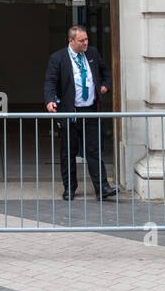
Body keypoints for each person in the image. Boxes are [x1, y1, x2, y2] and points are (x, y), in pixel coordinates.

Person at [44, 24, 117, 201]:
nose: (86, 43)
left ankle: (102, 188)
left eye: (86, 39)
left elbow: (105, 70)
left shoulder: (92, 53)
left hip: (90, 110)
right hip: (70, 112)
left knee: (93, 150)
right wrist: (50, 100)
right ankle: (70, 188)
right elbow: (50, 81)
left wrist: (106, 84)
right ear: (71, 41)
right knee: (68, 151)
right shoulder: (58, 58)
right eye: (81, 40)